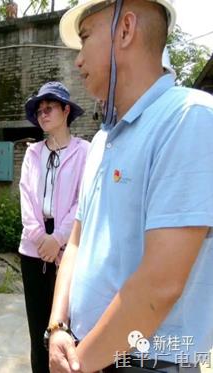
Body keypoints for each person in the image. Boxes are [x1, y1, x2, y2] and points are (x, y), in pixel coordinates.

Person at [47, 1, 213, 372]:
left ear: (125, 30)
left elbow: (160, 285)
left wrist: (78, 366)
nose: (77, 61)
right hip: (85, 351)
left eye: (86, 37)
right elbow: (76, 241)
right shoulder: (104, 140)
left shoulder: (189, 119)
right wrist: (57, 326)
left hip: (148, 362)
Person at [19, 81, 89, 373]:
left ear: (66, 110)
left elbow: (82, 201)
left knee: (66, 329)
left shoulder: (84, 151)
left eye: (49, 108)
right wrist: (40, 238)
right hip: (33, 249)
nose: (43, 114)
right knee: (38, 331)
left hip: (68, 247)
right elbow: (26, 196)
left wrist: (58, 238)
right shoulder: (33, 153)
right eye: (39, 111)